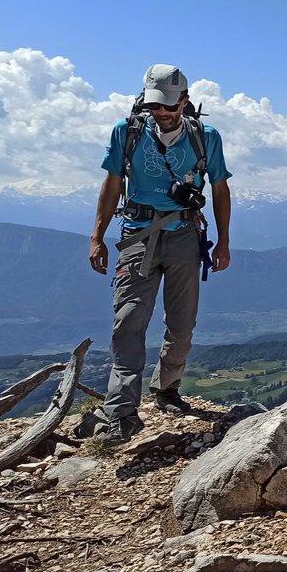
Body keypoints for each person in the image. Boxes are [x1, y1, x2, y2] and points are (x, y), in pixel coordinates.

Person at [87, 64, 233, 441]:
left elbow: (220, 188)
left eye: (169, 106)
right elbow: (112, 182)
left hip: (185, 233)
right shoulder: (128, 132)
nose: (163, 113)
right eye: (156, 107)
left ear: (185, 100)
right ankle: (120, 412)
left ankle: (166, 388)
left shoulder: (206, 137)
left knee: (182, 325)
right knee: (128, 321)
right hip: (137, 235)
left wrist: (224, 241)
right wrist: (97, 236)